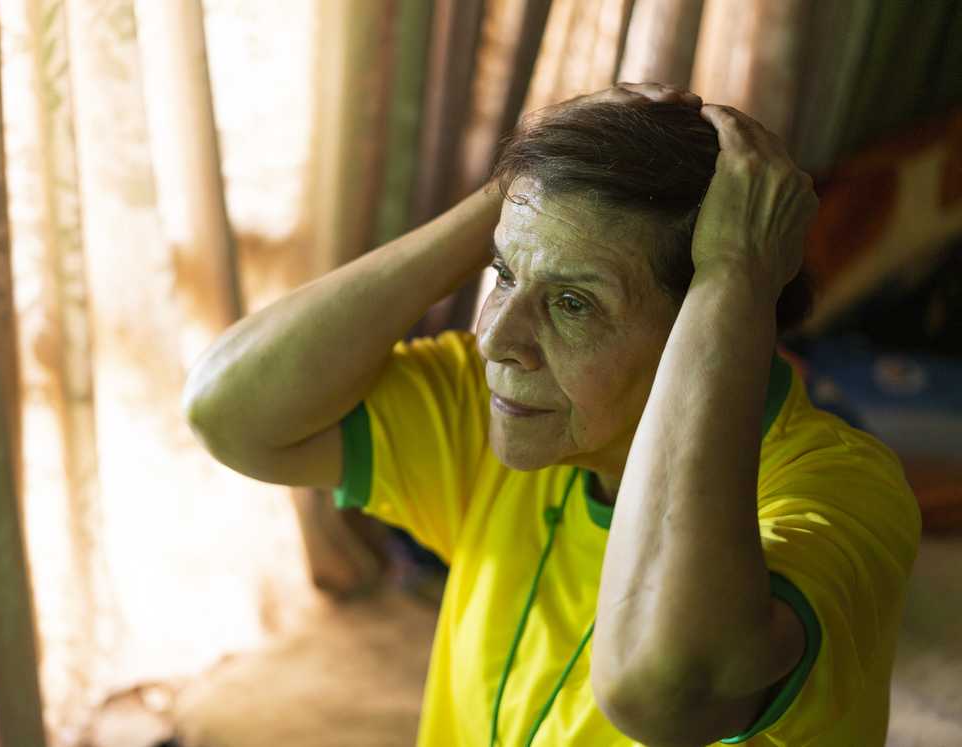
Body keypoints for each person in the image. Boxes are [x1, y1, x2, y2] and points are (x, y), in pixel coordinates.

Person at [182, 82, 921, 746]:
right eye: (503, 274)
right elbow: (230, 411)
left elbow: (662, 692)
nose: (496, 339)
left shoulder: (843, 492)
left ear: (706, 321)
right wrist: (509, 196)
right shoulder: (501, 411)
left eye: (573, 303)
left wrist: (734, 274)